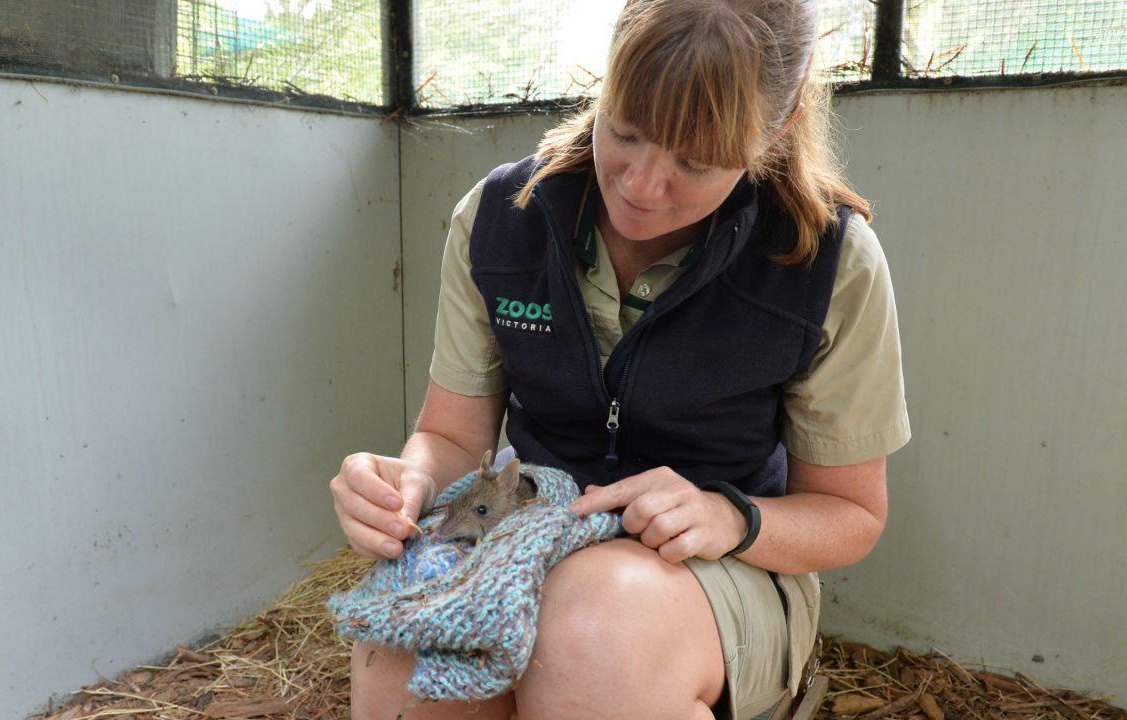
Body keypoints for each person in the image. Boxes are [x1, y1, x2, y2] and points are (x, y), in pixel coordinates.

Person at [328, 0, 910, 717]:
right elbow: (451, 437)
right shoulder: (498, 218)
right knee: (403, 642)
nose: (640, 184)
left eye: (695, 162)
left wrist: (730, 518)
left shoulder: (828, 260)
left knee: (591, 635)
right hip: (522, 513)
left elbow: (849, 515)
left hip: (723, 559)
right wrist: (401, 486)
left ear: (775, 131)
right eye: (625, 132)